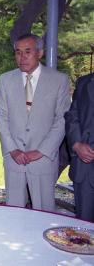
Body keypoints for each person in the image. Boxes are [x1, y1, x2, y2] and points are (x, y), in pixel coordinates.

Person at [0, 33, 70, 212]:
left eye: (27, 52)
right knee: (14, 212)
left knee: (44, 212)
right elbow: (1, 116)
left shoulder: (59, 80)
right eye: (18, 52)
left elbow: (62, 119)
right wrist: (12, 149)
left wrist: (42, 151)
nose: (22, 57)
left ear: (40, 53)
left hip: (43, 159)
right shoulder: (6, 79)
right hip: (14, 159)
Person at [65, 73, 94, 222]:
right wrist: (76, 144)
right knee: (84, 230)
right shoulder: (84, 82)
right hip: (84, 169)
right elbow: (72, 116)